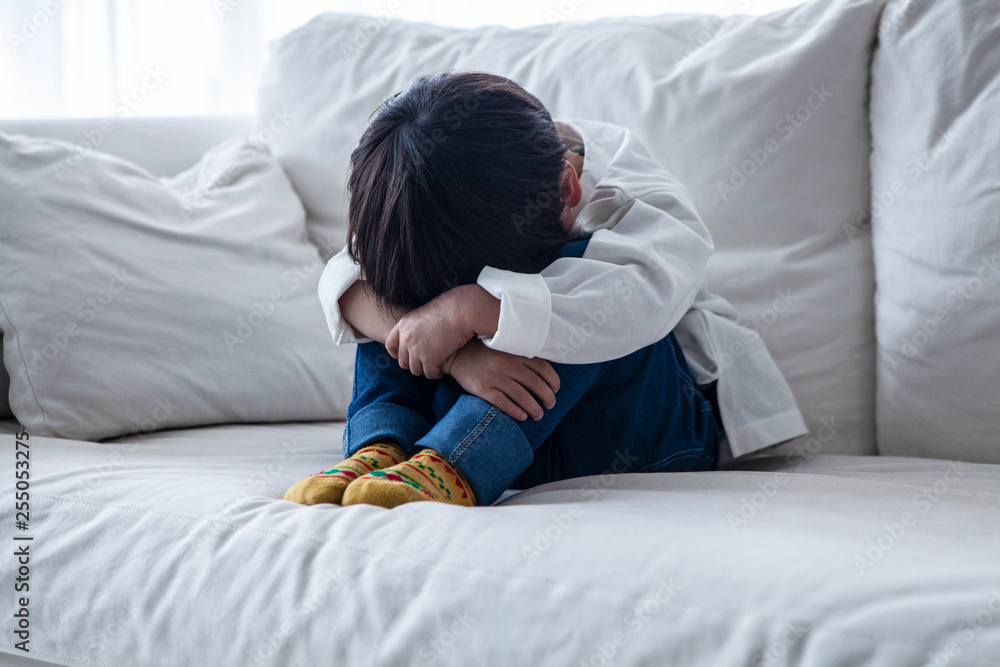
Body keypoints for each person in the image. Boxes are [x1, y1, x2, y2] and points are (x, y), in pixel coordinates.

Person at [283, 71, 807, 508]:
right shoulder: (428, 191)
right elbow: (345, 278)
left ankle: (455, 465)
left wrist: (471, 308)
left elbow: (632, 300)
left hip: (638, 432)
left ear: (567, 187)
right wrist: (459, 349)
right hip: (491, 420)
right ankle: (380, 448)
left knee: (583, 277)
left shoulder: (638, 195)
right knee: (391, 273)